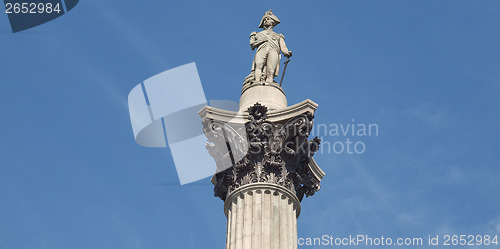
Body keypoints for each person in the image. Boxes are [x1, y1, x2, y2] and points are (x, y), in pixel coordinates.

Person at [249, 10, 292, 84]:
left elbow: (283, 47)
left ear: (273, 22)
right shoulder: (257, 34)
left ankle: (269, 83)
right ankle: (257, 81)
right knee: (258, 66)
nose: (266, 20)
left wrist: (286, 52)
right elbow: (252, 45)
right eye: (264, 19)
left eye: (268, 19)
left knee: (271, 69)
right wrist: (262, 40)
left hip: (273, 51)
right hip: (262, 49)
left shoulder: (278, 36)